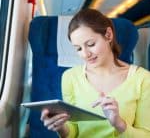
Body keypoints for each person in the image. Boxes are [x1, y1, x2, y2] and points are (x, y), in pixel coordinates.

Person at [40, 8, 150, 138]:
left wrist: (119, 124)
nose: (85, 54)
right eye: (79, 49)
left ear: (108, 35)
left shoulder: (142, 79)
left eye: (91, 44)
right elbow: (73, 131)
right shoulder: (70, 77)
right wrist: (61, 127)